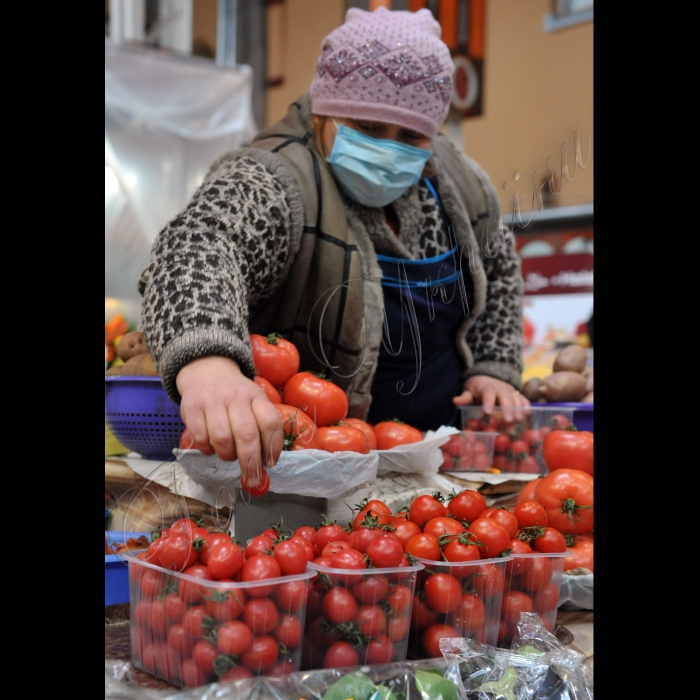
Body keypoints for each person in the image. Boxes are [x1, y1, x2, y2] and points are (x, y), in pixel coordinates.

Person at [138, 7, 529, 488]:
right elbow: (197, 244)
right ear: (324, 110)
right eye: (366, 127)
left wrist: (495, 367)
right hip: (304, 482)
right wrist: (208, 364)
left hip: (444, 476)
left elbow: (500, 272)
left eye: (410, 135)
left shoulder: (460, 185)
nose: (389, 147)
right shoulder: (277, 177)